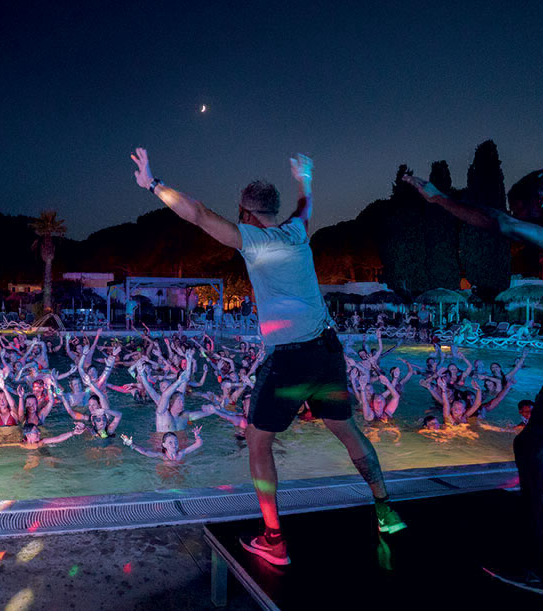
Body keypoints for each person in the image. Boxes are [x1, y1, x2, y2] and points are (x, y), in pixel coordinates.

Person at [131, 148, 404, 567]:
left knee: (259, 443)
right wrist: (304, 179)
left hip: (290, 360)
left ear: (244, 212)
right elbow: (305, 208)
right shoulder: (298, 233)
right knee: (346, 428)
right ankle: (385, 510)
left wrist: (153, 183)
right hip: (328, 350)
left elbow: (199, 214)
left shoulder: (253, 241)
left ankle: (274, 540)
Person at [403, 147, 543, 603]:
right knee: (534, 445)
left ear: (540, 204)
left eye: (521, 208)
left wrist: (438, 200)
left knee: (531, 447)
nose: (515, 217)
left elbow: (500, 224)